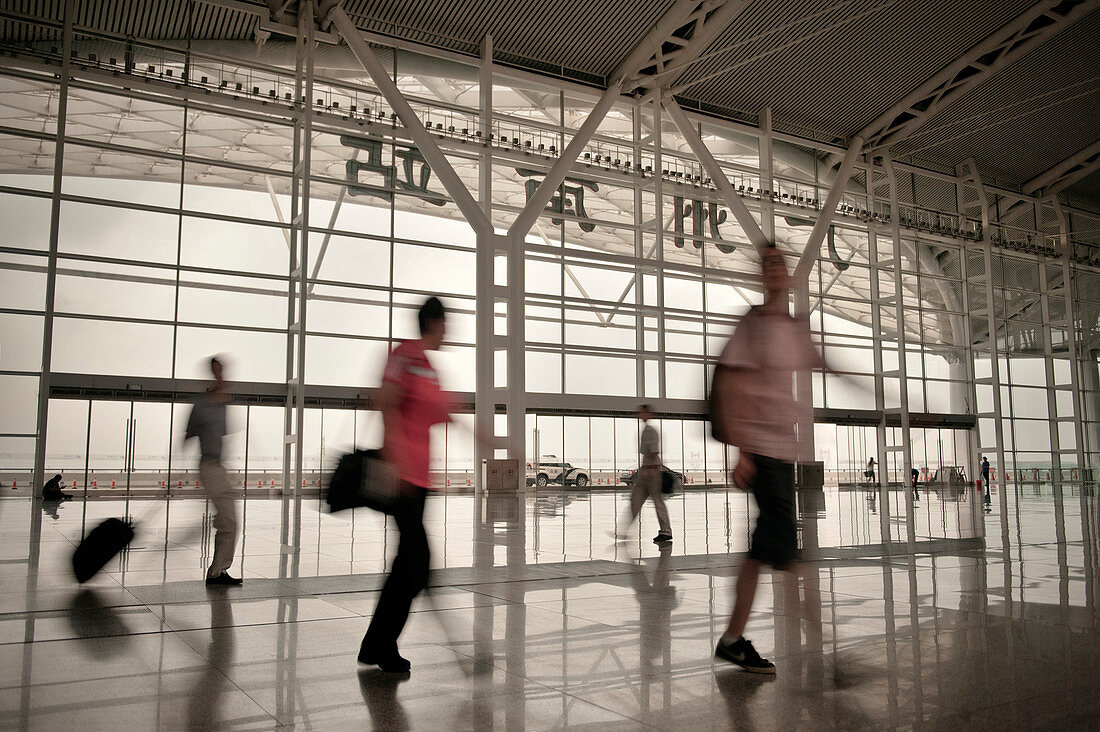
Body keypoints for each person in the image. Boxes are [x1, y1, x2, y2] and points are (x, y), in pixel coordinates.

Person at [710, 244, 826, 675]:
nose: (774, 269)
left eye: (780, 263)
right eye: (767, 264)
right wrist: (741, 451)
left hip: (783, 449)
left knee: (769, 548)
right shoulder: (753, 324)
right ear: (762, 275)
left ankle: (735, 640)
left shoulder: (794, 329)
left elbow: (824, 364)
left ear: (790, 274)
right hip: (761, 449)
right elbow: (733, 382)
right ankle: (816, 650)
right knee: (783, 551)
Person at [359, 297, 453, 673]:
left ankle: (377, 644)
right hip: (403, 478)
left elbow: (441, 413)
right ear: (433, 322)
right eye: (445, 323)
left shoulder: (428, 365)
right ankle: (381, 644)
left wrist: (485, 439)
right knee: (416, 562)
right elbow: (383, 400)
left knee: (408, 564)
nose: (449, 331)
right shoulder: (406, 356)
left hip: (419, 480)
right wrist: (395, 454)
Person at [184, 356, 241, 587]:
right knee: (230, 521)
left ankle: (218, 570)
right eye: (218, 372)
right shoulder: (202, 404)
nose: (222, 376)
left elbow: (222, 438)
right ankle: (217, 571)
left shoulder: (222, 405)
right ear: (212, 374)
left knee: (227, 521)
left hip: (217, 467)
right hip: (209, 466)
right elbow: (188, 435)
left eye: (223, 372)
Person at [620, 404, 672, 544]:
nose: (641, 415)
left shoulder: (650, 431)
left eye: (643, 413)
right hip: (646, 471)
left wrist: (651, 469)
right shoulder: (645, 430)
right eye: (640, 413)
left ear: (649, 414)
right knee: (635, 500)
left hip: (652, 471)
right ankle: (624, 531)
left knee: (657, 502)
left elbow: (654, 452)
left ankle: (666, 532)